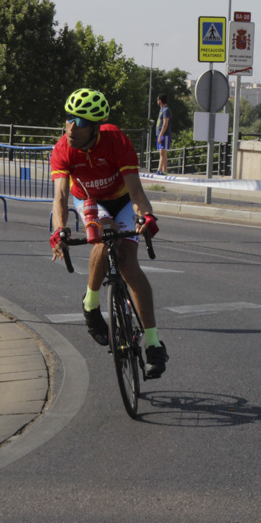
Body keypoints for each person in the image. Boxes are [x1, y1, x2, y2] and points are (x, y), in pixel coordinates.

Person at [49, 88, 169, 378]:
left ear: (95, 127)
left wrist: (146, 216)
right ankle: (90, 304)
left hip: (123, 199)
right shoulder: (63, 148)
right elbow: (61, 198)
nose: (71, 127)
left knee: (128, 262)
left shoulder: (116, 140)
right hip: (90, 200)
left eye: (79, 122)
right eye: (68, 119)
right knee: (101, 232)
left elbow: (137, 192)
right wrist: (58, 231)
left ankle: (153, 343)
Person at [155, 93, 171, 175]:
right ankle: (165, 170)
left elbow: (165, 124)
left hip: (165, 134)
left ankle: (159, 169)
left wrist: (161, 135)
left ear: (160, 101)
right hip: (160, 134)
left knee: (162, 151)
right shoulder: (161, 110)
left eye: (158, 100)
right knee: (163, 152)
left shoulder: (166, 110)